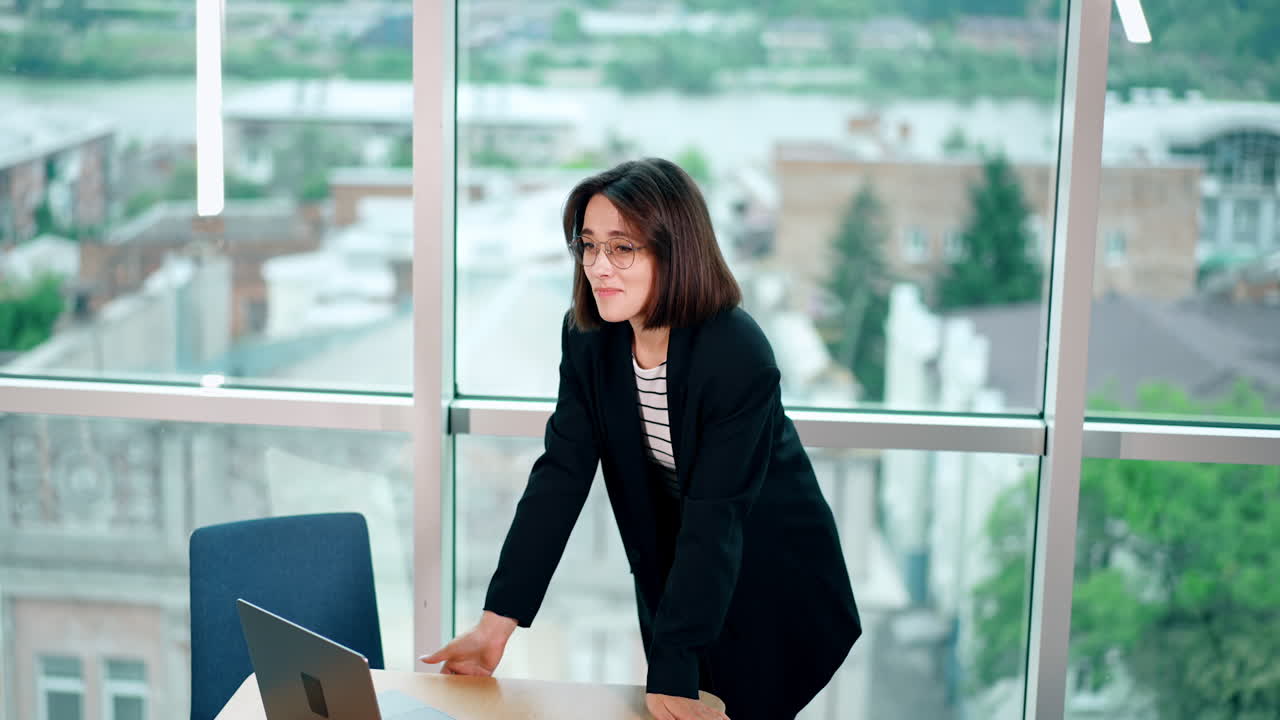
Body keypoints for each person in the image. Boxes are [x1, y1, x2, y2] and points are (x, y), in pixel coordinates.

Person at [421, 158, 861, 720]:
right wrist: (495, 622)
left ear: (673, 252)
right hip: (682, 573)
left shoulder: (736, 353)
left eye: (622, 248)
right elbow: (559, 477)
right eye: (588, 245)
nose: (598, 266)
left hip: (770, 578)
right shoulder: (589, 339)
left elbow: (717, 517)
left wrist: (673, 665)